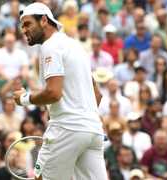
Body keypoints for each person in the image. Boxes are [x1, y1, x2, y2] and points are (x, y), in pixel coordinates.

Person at [16, 3, 107, 180]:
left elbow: (53, 93)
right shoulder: (76, 46)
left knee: (41, 178)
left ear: (43, 20)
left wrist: (24, 99)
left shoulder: (50, 46)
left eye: (27, 24)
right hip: (93, 131)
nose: (24, 30)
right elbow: (97, 95)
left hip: (66, 129)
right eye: (22, 25)